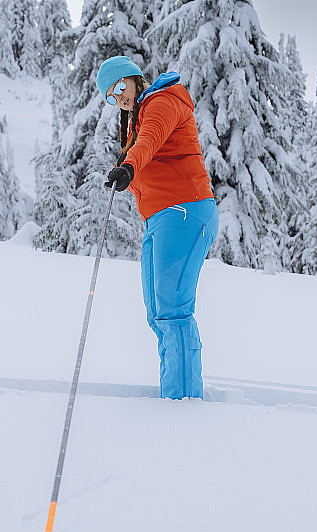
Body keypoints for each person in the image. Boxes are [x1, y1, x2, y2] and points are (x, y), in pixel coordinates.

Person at [96, 55, 219, 400]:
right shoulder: (135, 121)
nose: (117, 97)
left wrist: (131, 166)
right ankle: (175, 394)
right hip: (159, 219)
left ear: (134, 79)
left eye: (119, 86)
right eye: (109, 95)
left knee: (172, 311)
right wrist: (128, 164)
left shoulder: (162, 101)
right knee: (157, 313)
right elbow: (144, 146)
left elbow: (150, 141)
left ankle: (182, 404)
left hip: (184, 210)